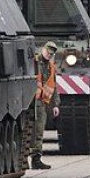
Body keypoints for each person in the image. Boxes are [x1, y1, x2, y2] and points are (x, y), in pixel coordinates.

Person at [32, 41, 60, 169]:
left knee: (38, 131)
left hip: (41, 103)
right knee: (30, 131)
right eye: (48, 52)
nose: (49, 55)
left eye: (51, 54)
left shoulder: (50, 67)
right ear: (43, 49)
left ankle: (36, 158)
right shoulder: (33, 62)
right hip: (29, 101)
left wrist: (55, 104)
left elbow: (54, 87)